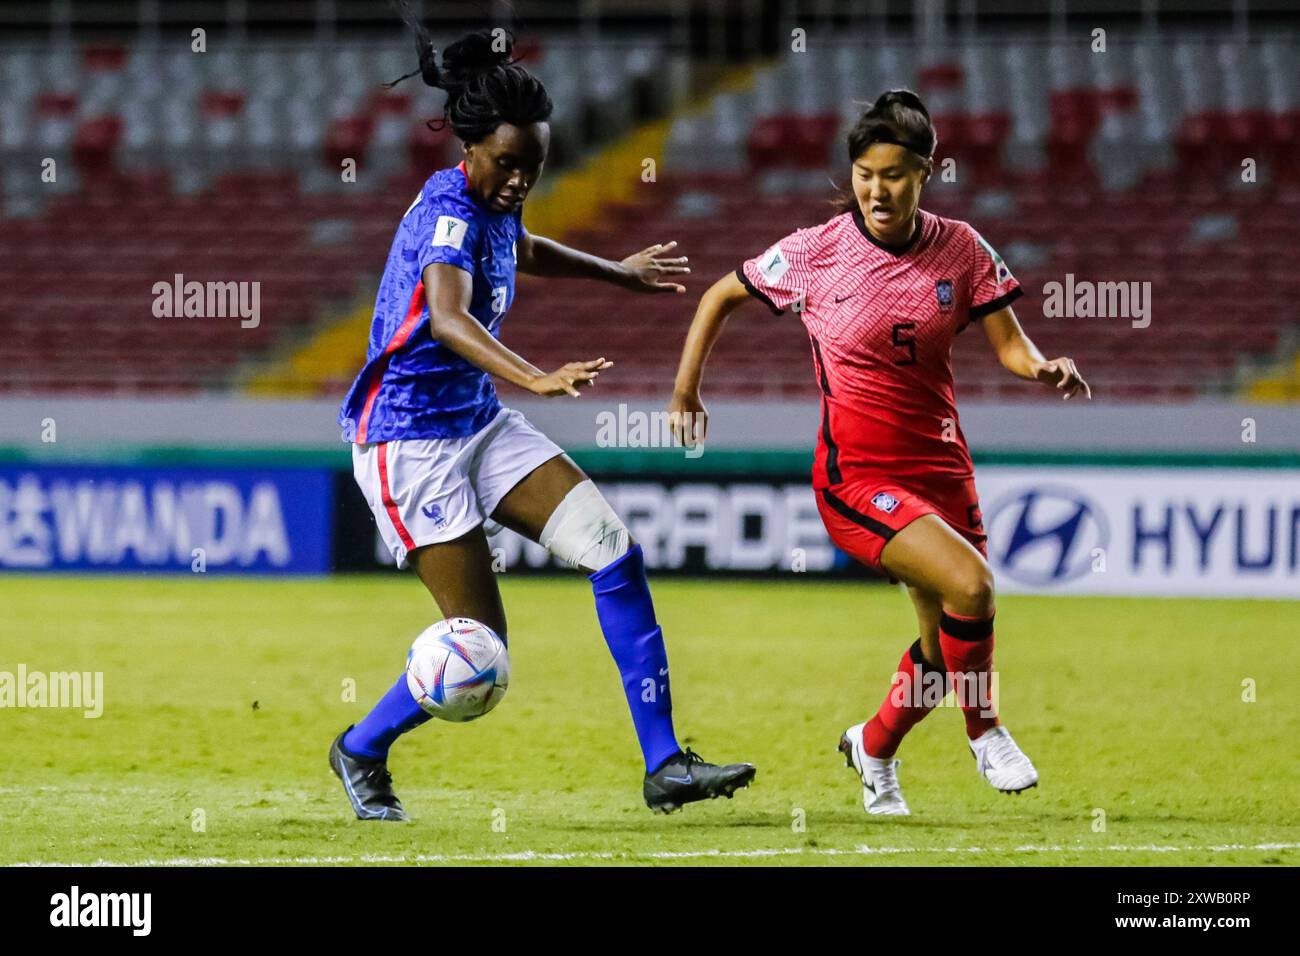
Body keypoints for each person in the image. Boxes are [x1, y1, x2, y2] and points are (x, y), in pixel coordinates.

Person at [330, 12, 755, 821]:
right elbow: (451, 319)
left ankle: (664, 764)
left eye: (535, 165)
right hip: (408, 441)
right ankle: (360, 748)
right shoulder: (448, 212)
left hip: (477, 422)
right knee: (478, 652)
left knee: (613, 552)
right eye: (509, 164)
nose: (521, 179)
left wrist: (618, 274)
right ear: (471, 151)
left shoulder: (492, 202)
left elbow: (523, 244)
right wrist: (537, 376)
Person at [669, 89, 1090, 817]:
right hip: (856, 477)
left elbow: (1010, 343)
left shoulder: (962, 247)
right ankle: (985, 729)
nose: (876, 188)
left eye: (894, 173)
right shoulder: (817, 251)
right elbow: (718, 295)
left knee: (941, 647)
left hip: (943, 468)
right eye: (865, 172)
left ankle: (873, 746)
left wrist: (1042, 365)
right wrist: (685, 393)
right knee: (974, 588)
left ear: (926, 173)